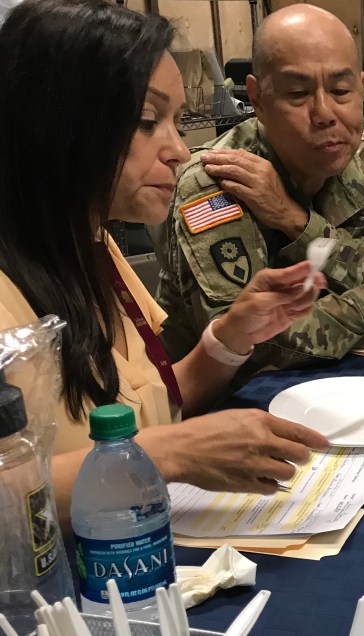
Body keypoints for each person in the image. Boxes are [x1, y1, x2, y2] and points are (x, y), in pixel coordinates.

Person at [0, 0, 332, 526]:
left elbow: (146, 407)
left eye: (179, 122)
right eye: (148, 121)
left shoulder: (89, 242)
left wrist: (230, 339)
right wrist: (169, 453)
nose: (179, 150)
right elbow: (8, 495)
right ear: (58, 121)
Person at [150, 4, 364, 378]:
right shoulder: (216, 181)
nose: (325, 112)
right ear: (258, 98)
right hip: (225, 404)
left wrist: (296, 220)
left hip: (349, 375)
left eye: (341, 90)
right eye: (298, 93)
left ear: (362, 86)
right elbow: (251, 347)